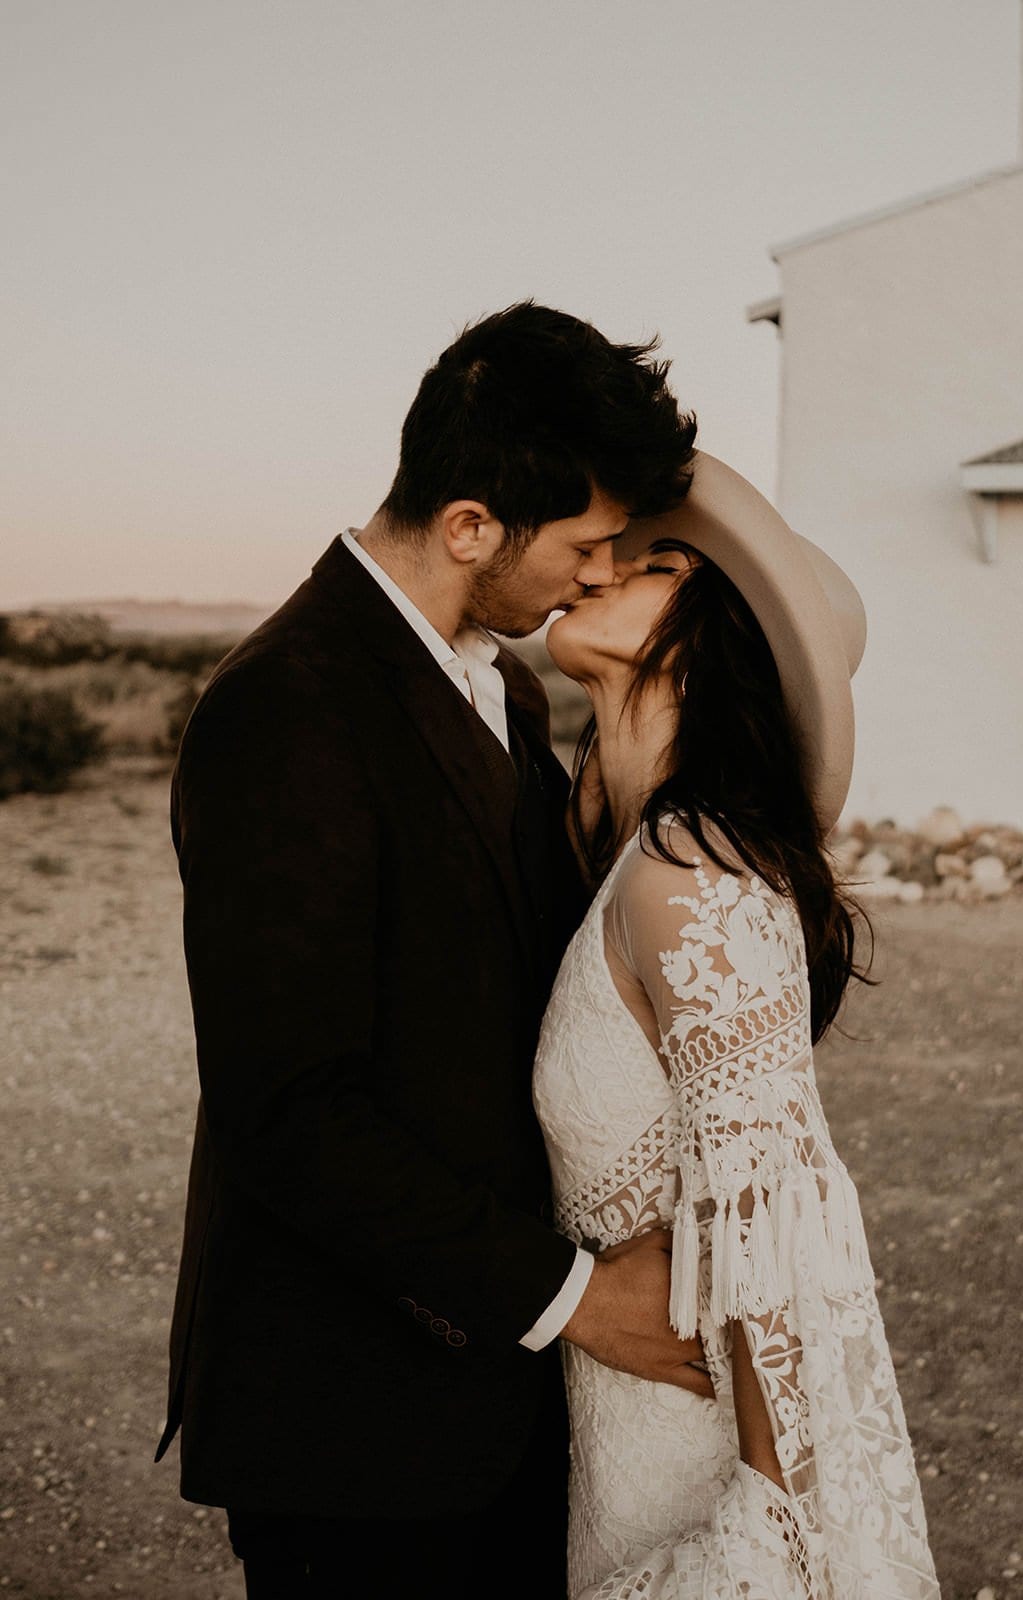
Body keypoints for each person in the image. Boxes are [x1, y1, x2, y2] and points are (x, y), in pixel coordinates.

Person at [158, 302, 705, 1596]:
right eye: (582, 542)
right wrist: (578, 1299)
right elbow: (286, 1109)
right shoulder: (281, 708)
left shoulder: (503, 681)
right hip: (355, 1418)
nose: (594, 572)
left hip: (494, 1404)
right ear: (470, 525)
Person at [534, 452, 940, 1598]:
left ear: (718, 642)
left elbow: (776, 1206)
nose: (603, 565)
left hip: (705, 1458)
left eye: (658, 561)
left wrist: (771, 1518)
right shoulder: (625, 860)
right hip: (624, 1431)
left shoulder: (692, 867)